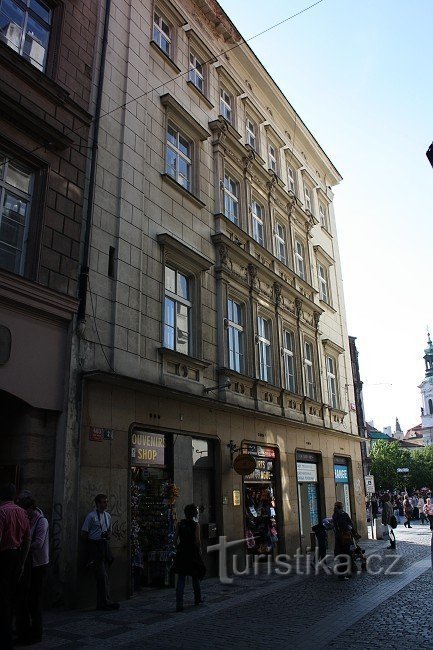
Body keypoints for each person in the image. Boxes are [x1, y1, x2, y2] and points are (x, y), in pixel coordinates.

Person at [14, 493, 49, 645]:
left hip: (38, 565)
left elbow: (38, 543)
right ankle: (25, 631)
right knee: (25, 599)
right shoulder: (26, 518)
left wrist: (22, 547)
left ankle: (36, 633)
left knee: (35, 600)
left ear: (31, 508)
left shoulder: (42, 521)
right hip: (28, 564)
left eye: (25, 510)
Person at [0, 483, 31, 649]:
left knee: (3, 597)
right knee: (13, 596)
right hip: (17, 554)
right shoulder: (22, 512)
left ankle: (6, 637)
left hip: (4, 556)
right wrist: (22, 562)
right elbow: (27, 538)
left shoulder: (2, 511)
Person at [81, 494, 119, 611]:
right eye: (103, 502)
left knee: (105, 576)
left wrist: (107, 536)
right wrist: (91, 546)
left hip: (104, 546)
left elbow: (109, 531)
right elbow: (84, 533)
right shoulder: (91, 516)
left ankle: (104, 602)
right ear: (97, 503)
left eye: (106, 502)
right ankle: (104, 602)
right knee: (101, 576)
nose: (105, 504)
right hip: (95, 547)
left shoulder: (108, 516)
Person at [173, 504, 205, 611]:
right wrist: (199, 551)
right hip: (192, 553)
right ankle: (198, 599)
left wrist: (178, 547)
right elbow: (197, 541)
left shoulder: (179, 524)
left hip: (182, 553)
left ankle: (179, 603)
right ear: (194, 514)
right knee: (195, 576)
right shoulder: (196, 525)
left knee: (181, 578)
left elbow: (174, 539)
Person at [332, 501, 358, 581]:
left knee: (342, 555)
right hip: (345, 538)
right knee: (347, 555)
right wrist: (353, 532)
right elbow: (350, 525)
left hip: (338, 538)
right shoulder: (344, 514)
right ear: (341, 507)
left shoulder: (334, 515)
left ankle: (346, 572)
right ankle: (342, 574)